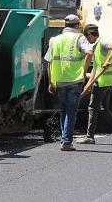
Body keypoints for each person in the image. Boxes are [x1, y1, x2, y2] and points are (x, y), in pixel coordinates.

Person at [45, 14, 93, 151]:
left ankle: (64, 139)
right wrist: (83, 72)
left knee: (64, 110)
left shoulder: (55, 40)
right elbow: (89, 52)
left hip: (59, 80)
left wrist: (51, 82)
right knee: (71, 111)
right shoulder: (79, 38)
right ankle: (66, 141)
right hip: (74, 80)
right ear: (77, 25)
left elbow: (49, 62)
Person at [79, 24, 112, 145]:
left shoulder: (102, 43)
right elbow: (96, 68)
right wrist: (88, 84)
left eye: (87, 37)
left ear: (91, 35)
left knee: (93, 107)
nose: (87, 40)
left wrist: (108, 60)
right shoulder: (96, 47)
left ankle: (89, 137)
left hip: (103, 82)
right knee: (104, 108)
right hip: (106, 81)